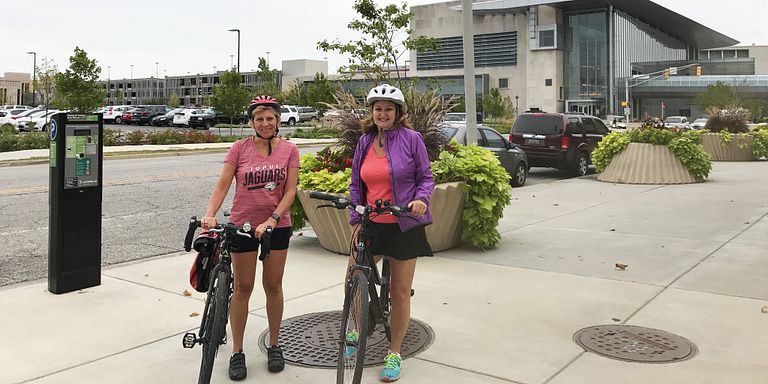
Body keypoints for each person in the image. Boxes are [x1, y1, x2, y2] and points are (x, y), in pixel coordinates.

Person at [200, 95, 299, 381]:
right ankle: (238, 351)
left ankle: (275, 344)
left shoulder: (290, 150)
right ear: (252, 123)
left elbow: (290, 191)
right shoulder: (239, 149)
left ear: (278, 121)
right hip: (242, 226)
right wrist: (210, 214)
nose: (265, 123)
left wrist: (272, 219)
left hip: (276, 227)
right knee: (243, 287)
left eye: (270, 118)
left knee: (273, 286)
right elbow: (222, 185)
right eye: (259, 119)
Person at [348, 83, 435, 382]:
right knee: (354, 277)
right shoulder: (364, 142)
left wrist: (421, 200)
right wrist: (355, 216)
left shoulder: (412, 139)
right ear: (371, 113)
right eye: (377, 108)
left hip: (403, 223)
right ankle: (355, 331)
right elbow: (355, 185)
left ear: (397, 113)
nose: (382, 113)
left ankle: (394, 352)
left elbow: (426, 177)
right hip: (371, 221)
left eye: (388, 109)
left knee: (399, 291)